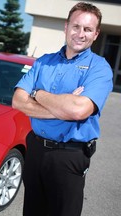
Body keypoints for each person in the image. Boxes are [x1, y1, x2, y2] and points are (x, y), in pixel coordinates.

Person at [12, 2, 113, 216]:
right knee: (32, 211)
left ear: (96, 34)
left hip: (70, 156)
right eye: (76, 26)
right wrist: (61, 107)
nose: (80, 33)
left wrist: (37, 93)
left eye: (87, 29)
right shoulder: (44, 62)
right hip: (36, 150)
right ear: (66, 27)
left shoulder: (100, 68)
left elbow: (78, 111)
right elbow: (18, 101)